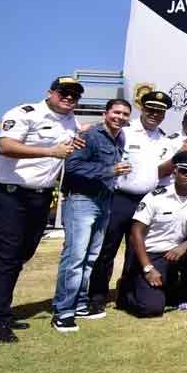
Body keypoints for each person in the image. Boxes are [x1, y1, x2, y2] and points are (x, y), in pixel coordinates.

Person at [0, 76, 86, 342]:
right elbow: (5, 146)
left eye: (74, 95)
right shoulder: (24, 113)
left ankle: (0, 310)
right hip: (8, 195)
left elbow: (84, 129)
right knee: (6, 256)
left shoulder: (71, 120)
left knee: (24, 253)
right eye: (64, 92)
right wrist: (51, 152)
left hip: (40, 198)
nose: (69, 98)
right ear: (50, 92)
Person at [90, 91, 173, 314]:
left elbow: (162, 173)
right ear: (142, 109)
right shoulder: (124, 132)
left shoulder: (165, 140)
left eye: (160, 111)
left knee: (136, 251)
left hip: (146, 201)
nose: (155, 114)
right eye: (151, 109)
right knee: (107, 248)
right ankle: (97, 295)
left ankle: (126, 294)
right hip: (120, 198)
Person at [52, 99, 132, 331]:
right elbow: (73, 166)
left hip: (104, 200)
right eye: (116, 112)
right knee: (75, 257)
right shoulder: (90, 135)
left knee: (90, 257)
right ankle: (63, 311)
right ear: (105, 113)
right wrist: (110, 170)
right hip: (82, 200)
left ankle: (79, 303)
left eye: (125, 114)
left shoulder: (120, 137)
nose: (120, 117)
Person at [124, 150, 187, 317]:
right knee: (152, 309)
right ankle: (128, 290)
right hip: (152, 255)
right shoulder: (155, 197)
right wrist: (147, 268)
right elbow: (135, 233)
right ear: (175, 171)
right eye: (183, 171)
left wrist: (185, 245)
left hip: (178, 253)